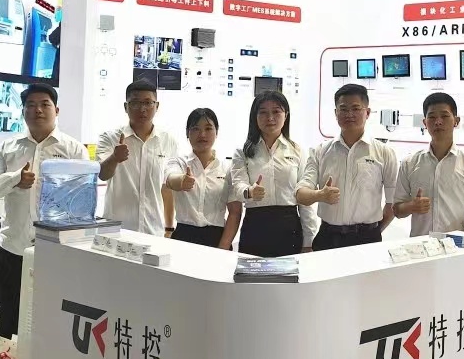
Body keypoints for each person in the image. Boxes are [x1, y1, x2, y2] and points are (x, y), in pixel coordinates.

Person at [0, 83, 86, 339]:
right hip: (13, 247)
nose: (38, 110)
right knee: (10, 318)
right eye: (31, 105)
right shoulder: (8, 147)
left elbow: (84, 202)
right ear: (23, 111)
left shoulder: (73, 149)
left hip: (57, 250)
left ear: (56, 110)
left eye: (45, 104)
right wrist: (15, 178)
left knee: (54, 317)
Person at [296, 84, 397, 250]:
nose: (349, 114)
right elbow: (300, 194)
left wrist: (374, 231)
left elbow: (393, 202)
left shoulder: (384, 153)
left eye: (356, 108)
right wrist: (320, 195)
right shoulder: (320, 151)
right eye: (343, 109)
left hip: (367, 238)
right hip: (328, 237)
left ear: (367, 112)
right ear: (336, 113)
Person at [229, 91, 318, 256]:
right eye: (263, 112)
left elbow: (304, 200)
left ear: (286, 115)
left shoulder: (297, 151)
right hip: (255, 226)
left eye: (276, 111)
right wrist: (249, 192)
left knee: (289, 273)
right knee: (252, 272)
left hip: (289, 227)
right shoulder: (242, 152)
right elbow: (238, 185)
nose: (270, 118)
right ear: (255, 117)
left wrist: (309, 241)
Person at [394, 93, 464, 236]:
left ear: (456, 121)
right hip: (419, 245)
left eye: (444, 116)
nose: (438, 122)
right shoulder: (409, 163)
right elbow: (397, 210)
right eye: (432, 117)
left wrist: (462, 244)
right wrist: (412, 206)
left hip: (454, 246)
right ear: (424, 123)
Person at [97, 79, 179, 236]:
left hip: (153, 230)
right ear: (126, 107)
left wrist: (169, 227)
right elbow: (102, 174)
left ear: (157, 106)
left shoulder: (167, 140)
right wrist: (114, 158)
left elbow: (167, 188)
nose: (142, 109)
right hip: (116, 230)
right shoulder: (109, 138)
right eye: (135, 103)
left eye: (148, 103)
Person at [164, 108, 240, 249]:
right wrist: (181, 181)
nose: (202, 134)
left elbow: (235, 212)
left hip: (217, 237)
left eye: (208, 128)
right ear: (187, 133)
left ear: (216, 132)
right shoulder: (179, 162)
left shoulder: (227, 168)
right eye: (195, 129)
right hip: (184, 236)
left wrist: (223, 248)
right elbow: (170, 179)